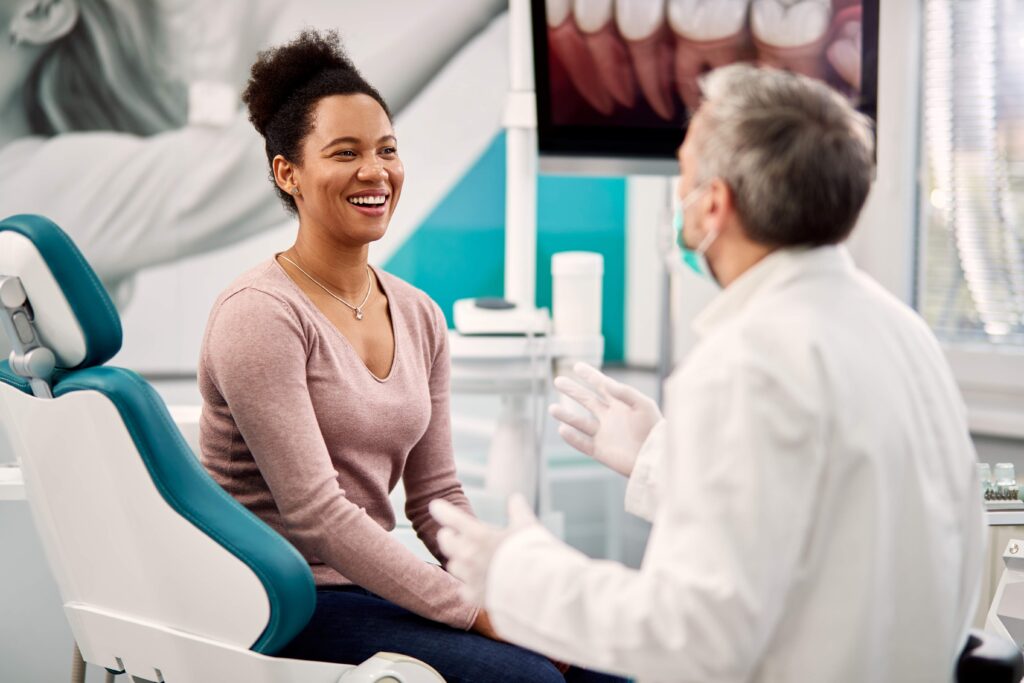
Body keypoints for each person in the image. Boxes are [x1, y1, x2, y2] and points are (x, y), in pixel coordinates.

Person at [431, 64, 985, 682]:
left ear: (714, 204)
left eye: (685, 174)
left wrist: (518, 573)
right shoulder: (901, 331)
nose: (679, 195)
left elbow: (689, 633)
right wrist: (659, 457)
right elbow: (827, 524)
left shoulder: (745, 361)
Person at [197, 29, 624, 683]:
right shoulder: (259, 314)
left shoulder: (419, 313)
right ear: (288, 173)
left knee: (608, 662)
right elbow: (318, 513)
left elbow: (436, 496)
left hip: (372, 588)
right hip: (280, 603)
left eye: (387, 150)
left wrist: (502, 585)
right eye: (345, 153)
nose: (375, 172)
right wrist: (474, 610)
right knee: (527, 679)